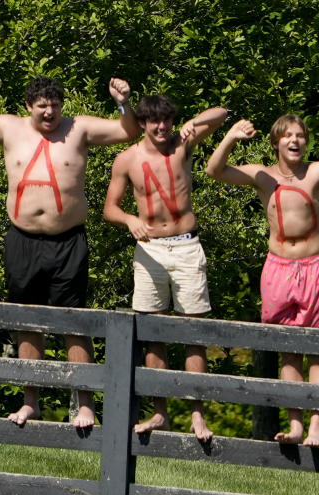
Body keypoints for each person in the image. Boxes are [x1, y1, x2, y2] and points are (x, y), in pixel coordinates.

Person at [0, 73, 138, 427]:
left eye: (55, 105)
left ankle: (85, 404)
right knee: (27, 323)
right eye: (42, 106)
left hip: (68, 241)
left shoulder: (78, 128)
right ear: (28, 107)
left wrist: (122, 102)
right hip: (23, 240)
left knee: (74, 323)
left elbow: (128, 132)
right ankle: (30, 400)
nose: (50, 112)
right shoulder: (8, 128)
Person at [205, 113, 319, 448]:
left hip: (315, 266)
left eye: (300, 136)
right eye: (288, 136)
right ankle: (295, 425)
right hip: (277, 267)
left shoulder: (318, 171)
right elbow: (214, 171)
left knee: (318, 350)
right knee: (289, 351)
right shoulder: (263, 176)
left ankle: (316, 427)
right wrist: (232, 138)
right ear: (276, 142)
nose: (295, 141)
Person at [104, 95, 228, 442]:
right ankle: (160, 412)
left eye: (166, 121)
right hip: (150, 250)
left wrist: (193, 123)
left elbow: (221, 113)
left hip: (187, 245)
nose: (161, 128)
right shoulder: (126, 159)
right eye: (153, 121)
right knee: (153, 334)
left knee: (194, 334)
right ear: (142, 123)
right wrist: (129, 219)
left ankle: (197, 415)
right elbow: (109, 208)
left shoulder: (182, 145)